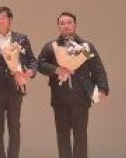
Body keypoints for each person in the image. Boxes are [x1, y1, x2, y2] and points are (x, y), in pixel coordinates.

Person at [37, 11, 109, 158]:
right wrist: (56, 69)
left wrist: (102, 88)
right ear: (58, 27)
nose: (66, 26)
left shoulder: (86, 47)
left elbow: (97, 68)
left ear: (75, 25)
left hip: (81, 96)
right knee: (62, 136)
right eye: (62, 23)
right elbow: (40, 64)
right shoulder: (51, 46)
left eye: (69, 22)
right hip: (60, 97)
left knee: (80, 136)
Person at [0, 6, 38, 158]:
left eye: (3, 17)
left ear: (10, 19)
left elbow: (32, 60)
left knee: (14, 127)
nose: (0, 20)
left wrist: (30, 72)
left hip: (15, 87)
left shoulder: (21, 38)